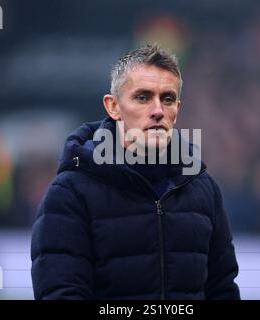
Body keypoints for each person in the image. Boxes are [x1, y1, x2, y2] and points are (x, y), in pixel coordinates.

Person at [31, 44, 240, 300]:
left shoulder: (203, 189)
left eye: (167, 99)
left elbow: (223, 289)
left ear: (178, 107)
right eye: (143, 97)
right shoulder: (70, 193)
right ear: (113, 107)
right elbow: (61, 294)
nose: (158, 111)